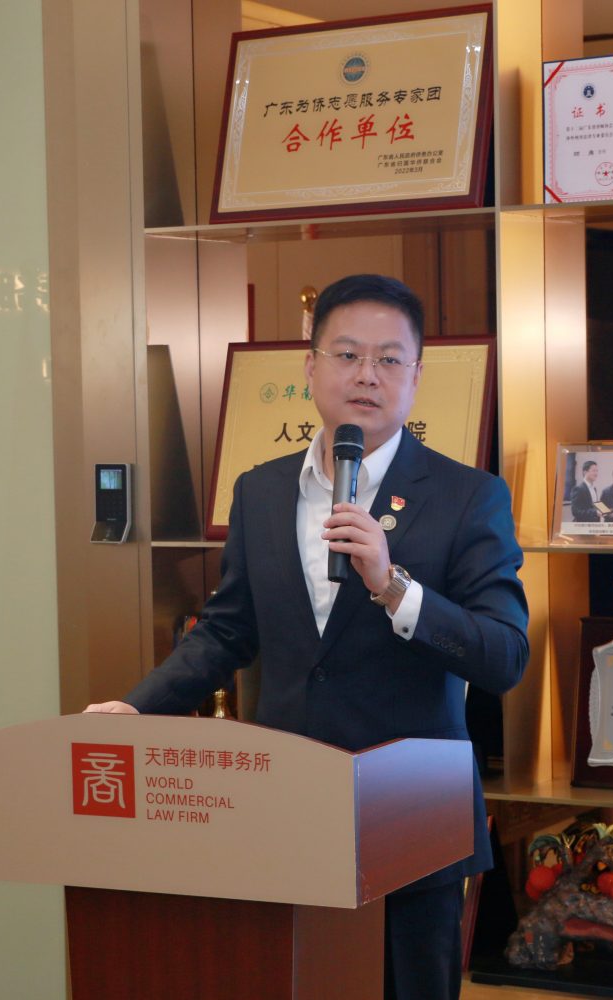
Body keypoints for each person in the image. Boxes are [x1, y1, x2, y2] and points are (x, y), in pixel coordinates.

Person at [85, 273, 529, 1000]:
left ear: (417, 377)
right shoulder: (260, 491)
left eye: (389, 359)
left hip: (411, 813)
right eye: (348, 354)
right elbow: (226, 632)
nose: (367, 375)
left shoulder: (469, 496)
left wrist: (393, 585)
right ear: (310, 367)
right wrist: (136, 709)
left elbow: (504, 655)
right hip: (285, 805)